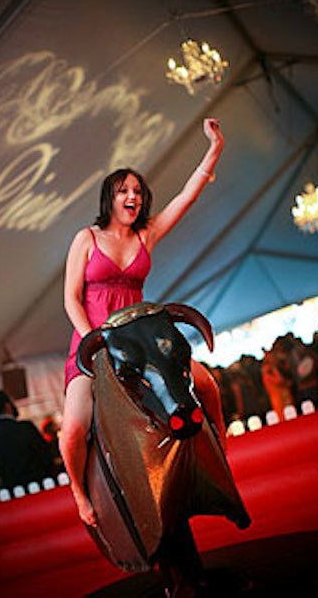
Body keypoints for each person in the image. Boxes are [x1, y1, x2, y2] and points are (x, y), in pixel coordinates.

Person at [60, 118, 226, 529]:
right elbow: (69, 298)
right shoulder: (86, 238)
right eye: (124, 191)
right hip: (93, 346)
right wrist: (92, 343)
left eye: (137, 191)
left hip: (142, 341)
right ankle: (81, 498)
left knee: (206, 384)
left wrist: (214, 146)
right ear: (110, 199)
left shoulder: (146, 235)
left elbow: (186, 197)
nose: (132, 196)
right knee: (71, 432)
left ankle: (220, 452)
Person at [0, 390, 55, 490]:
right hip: (41, 485)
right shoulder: (26, 428)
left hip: (14, 493)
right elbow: (46, 456)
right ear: (7, 406)